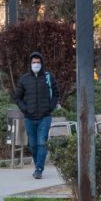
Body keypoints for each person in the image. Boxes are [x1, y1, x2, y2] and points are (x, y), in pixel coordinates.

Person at [13, 52, 59, 180]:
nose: (36, 64)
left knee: (42, 143)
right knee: (33, 145)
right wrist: (25, 109)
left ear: (42, 63)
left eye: (38, 62)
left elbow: (56, 94)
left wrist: (51, 107)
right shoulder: (24, 79)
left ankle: (39, 169)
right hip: (29, 117)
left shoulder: (49, 77)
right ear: (30, 64)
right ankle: (38, 165)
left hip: (45, 117)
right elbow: (17, 97)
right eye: (34, 62)